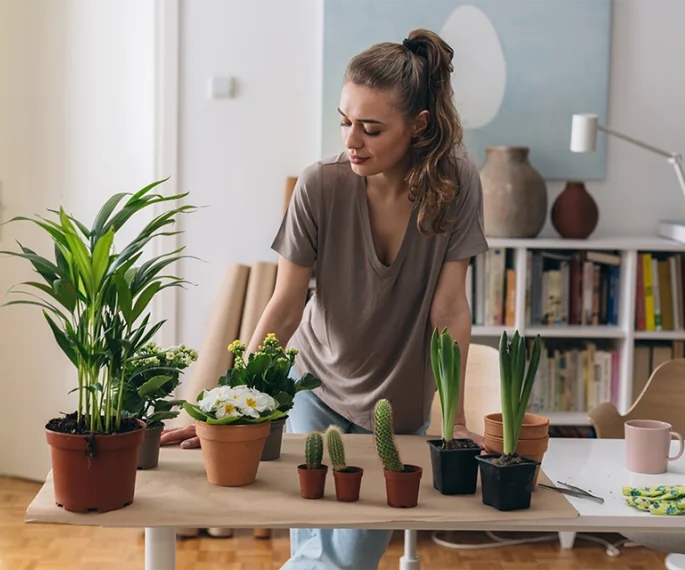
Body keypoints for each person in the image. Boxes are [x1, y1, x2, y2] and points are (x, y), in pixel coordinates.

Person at [161, 27, 489, 569]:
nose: (351, 141)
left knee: (347, 557)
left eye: (371, 128)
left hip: (399, 405)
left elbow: (450, 308)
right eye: (344, 122)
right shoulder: (320, 185)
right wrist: (230, 405)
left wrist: (451, 418)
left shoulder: (456, 184)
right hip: (315, 391)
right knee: (318, 549)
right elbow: (285, 305)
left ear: (419, 125)